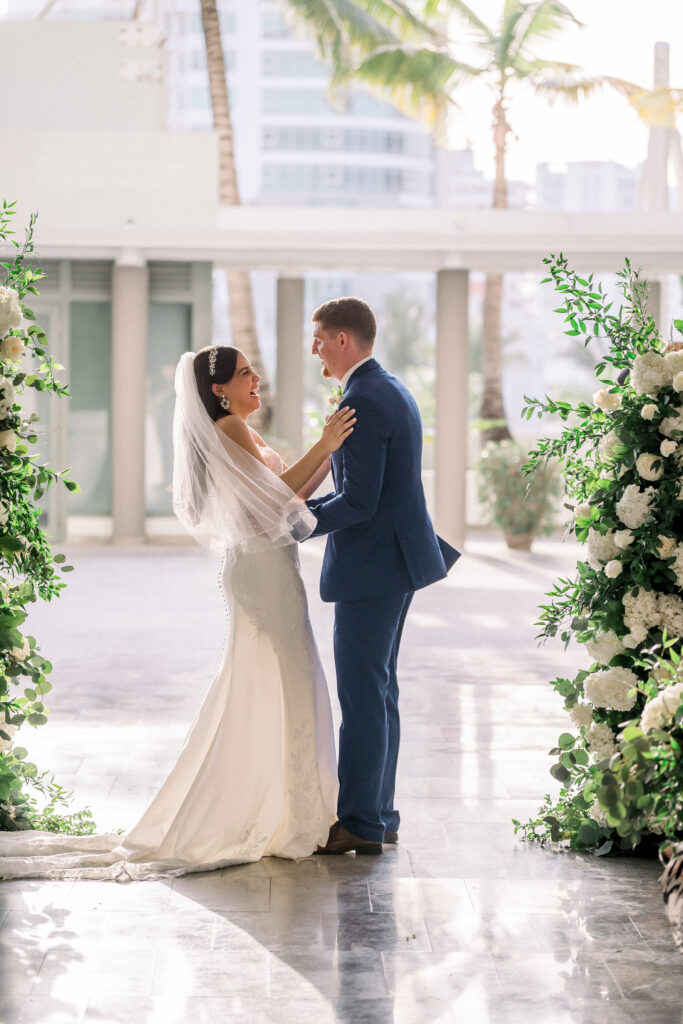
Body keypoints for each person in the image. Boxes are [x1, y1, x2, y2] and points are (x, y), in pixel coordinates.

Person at [0, 346, 354, 881]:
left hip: (268, 567)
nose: (256, 378)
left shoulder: (239, 430)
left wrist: (331, 451)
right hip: (262, 574)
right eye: (244, 374)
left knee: (281, 683)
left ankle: (289, 808)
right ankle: (286, 813)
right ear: (219, 391)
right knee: (287, 680)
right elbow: (278, 494)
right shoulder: (231, 429)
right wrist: (324, 443)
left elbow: (288, 499)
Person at [306, 297, 460, 856]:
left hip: (373, 566)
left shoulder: (365, 398)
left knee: (364, 696)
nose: (314, 348)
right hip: (394, 562)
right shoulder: (387, 387)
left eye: (319, 337)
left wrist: (296, 522)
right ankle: (379, 814)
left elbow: (360, 502)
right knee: (380, 691)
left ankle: (361, 824)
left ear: (343, 340)